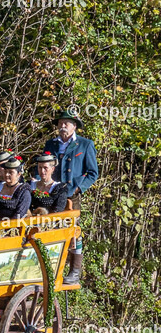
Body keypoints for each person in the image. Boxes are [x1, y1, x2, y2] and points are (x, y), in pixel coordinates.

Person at [44, 109, 98, 284]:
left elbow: (92, 173)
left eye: (66, 123)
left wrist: (78, 189)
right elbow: (42, 167)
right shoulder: (50, 144)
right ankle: (50, 267)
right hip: (50, 194)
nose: (62, 125)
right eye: (60, 123)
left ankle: (74, 271)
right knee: (49, 229)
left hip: (71, 195)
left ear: (74, 126)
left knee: (74, 232)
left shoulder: (85, 144)